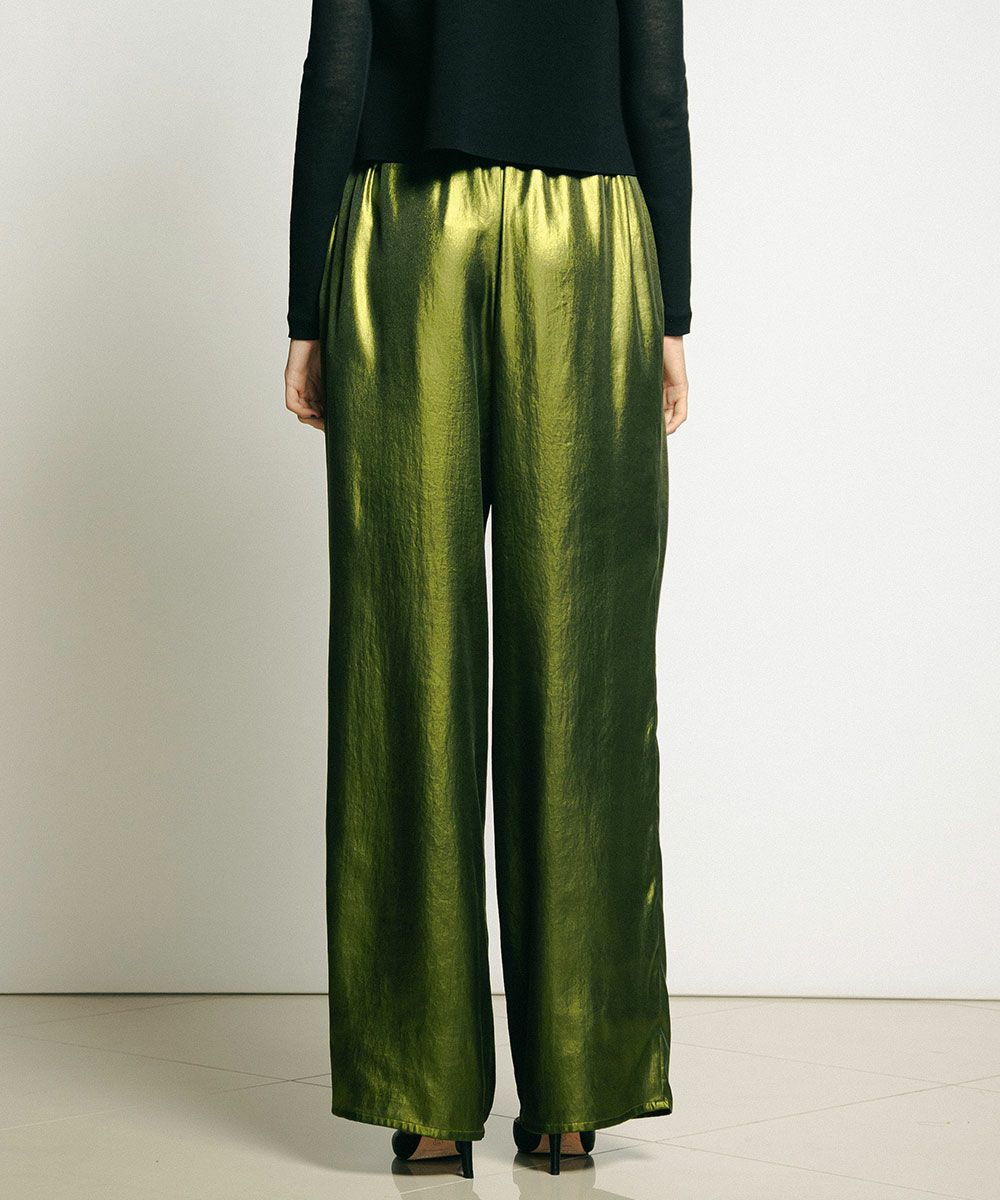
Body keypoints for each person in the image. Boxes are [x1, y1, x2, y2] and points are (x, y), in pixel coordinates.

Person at [282, 0, 691, 1180]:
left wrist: (309, 308)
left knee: (403, 644)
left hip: (408, 227)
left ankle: (424, 1101)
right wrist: (668, 309)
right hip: (589, 236)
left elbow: (337, 72)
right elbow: (656, 83)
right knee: (582, 654)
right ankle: (573, 1095)